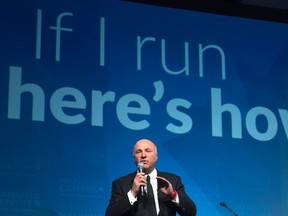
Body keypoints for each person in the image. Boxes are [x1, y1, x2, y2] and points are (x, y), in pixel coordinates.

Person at [105, 139, 197, 216]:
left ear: (156, 156)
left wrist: (172, 195)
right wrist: (132, 193)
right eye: (138, 152)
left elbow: (191, 212)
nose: (143, 155)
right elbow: (110, 214)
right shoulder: (120, 184)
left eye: (148, 151)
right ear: (134, 158)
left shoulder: (172, 180)